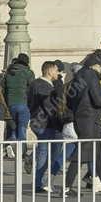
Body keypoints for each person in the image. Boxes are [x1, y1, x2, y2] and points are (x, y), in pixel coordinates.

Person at [63, 58, 101, 195]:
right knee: (81, 154)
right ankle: (66, 188)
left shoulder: (78, 76)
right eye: (100, 65)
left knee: (95, 154)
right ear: (93, 65)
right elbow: (97, 99)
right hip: (89, 119)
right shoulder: (91, 76)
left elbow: (70, 99)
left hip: (81, 118)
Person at [28, 61, 66, 193]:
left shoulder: (36, 84)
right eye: (56, 70)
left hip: (39, 122)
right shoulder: (43, 86)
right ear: (49, 71)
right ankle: (40, 182)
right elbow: (49, 106)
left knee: (46, 151)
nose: (58, 73)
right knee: (47, 152)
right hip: (45, 123)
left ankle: (41, 181)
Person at [3, 53, 34, 155]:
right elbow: (32, 89)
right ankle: (22, 152)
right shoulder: (28, 73)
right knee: (21, 128)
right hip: (23, 103)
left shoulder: (8, 73)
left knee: (12, 127)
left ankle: (10, 146)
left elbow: (3, 90)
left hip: (10, 104)